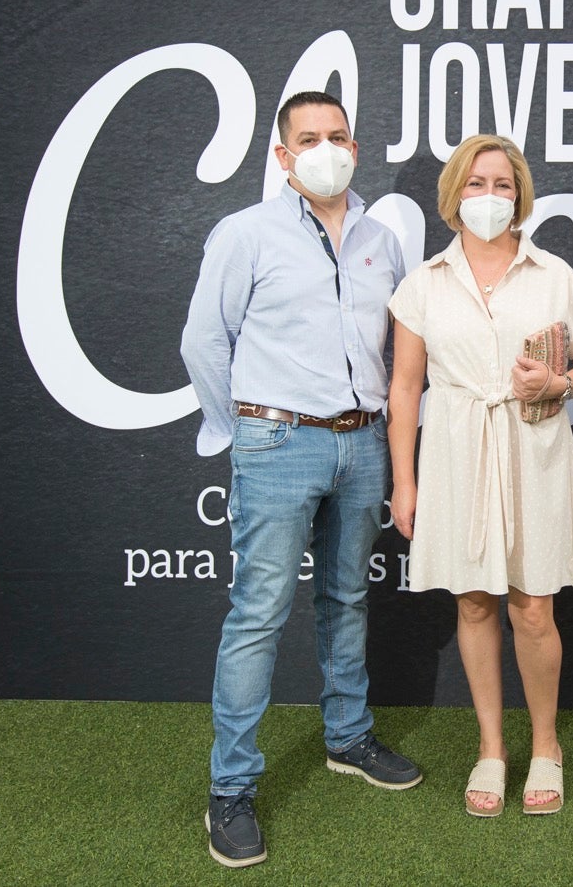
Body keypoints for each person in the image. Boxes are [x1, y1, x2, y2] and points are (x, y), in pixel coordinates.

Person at [180, 91, 421, 868]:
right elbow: (202, 342)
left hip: (363, 443)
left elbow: (399, 354)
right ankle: (231, 787)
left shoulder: (383, 239)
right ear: (283, 157)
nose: (327, 148)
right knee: (258, 612)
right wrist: (241, 427)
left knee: (348, 596)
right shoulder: (245, 233)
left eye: (339, 135)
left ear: (357, 143)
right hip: (278, 438)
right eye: (309, 138)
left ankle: (347, 737)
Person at [386, 134, 573, 817]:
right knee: (474, 602)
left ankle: (546, 745)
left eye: (504, 184)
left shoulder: (552, 274)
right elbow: (404, 386)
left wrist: (561, 379)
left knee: (533, 606)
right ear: (455, 194)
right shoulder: (424, 282)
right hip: (454, 449)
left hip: (533, 447)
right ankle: (492, 746)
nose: (491, 196)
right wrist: (404, 479)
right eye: (478, 183)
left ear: (521, 195)